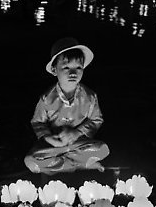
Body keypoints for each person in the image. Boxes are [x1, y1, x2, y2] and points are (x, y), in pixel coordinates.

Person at [24, 37, 110, 175]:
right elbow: (37, 122)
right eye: (66, 67)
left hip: (78, 145)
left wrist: (77, 133)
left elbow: (96, 119)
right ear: (54, 69)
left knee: (103, 148)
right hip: (53, 146)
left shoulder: (90, 97)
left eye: (78, 67)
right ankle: (81, 164)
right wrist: (48, 137)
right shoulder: (47, 98)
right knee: (30, 161)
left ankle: (62, 164)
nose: (73, 73)